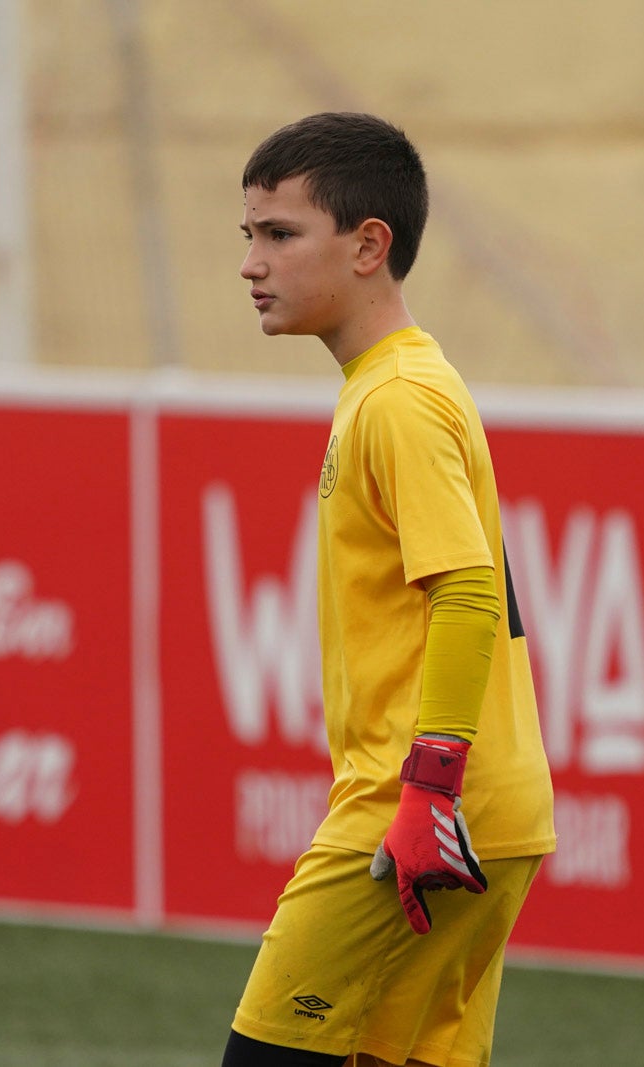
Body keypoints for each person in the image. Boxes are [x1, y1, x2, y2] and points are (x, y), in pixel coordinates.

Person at [221, 113, 556, 1067]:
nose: (252, 262)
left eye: (279, 235)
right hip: (485, 805)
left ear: (371, 245)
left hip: (417, 804)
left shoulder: (398, 398)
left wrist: (429, 791)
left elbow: (468, 593)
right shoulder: (401, 383)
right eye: (248, 235)